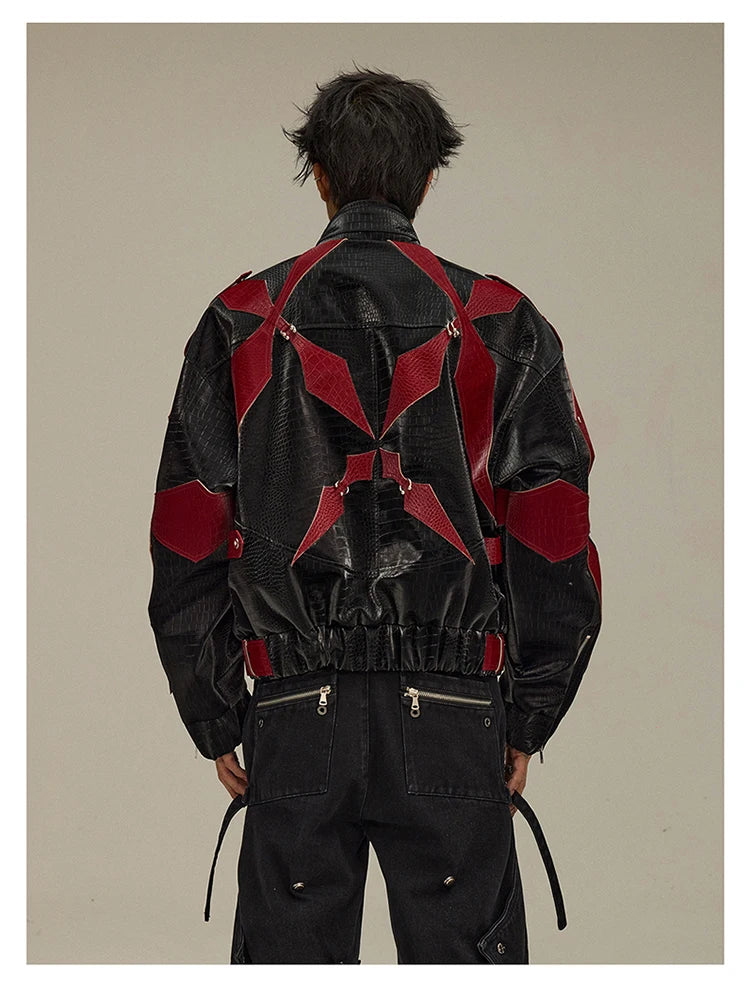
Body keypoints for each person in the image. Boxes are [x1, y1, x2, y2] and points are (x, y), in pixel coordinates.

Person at [147, 65, 602, 965]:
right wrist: (528, 716)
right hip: (455, 712)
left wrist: (216, 711)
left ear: (317, 174)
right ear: (429, 176)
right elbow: (555, 535)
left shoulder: (241, 321)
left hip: (293, 714)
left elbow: (185, 532)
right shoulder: (502, 322)